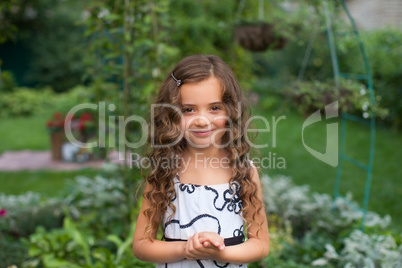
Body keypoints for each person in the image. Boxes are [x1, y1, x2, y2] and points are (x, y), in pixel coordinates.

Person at [132, 54, 269, 267]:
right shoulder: (165, 171)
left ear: (231, 110)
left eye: (214, 108)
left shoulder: (243, 172)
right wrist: (186, 249)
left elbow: (260, 245)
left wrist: (219, 254)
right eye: (188, 109)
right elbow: (141, 245)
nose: (202, 120)